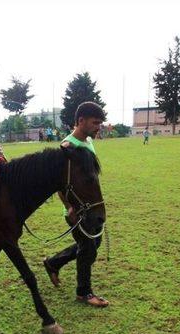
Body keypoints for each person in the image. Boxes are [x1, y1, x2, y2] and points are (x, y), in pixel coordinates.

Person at [43, 102, 109, 307]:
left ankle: (54, 263)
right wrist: (70, 207)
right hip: (77, 210)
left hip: (90, 206)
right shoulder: (67, 147)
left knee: (91, 244)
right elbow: (59, 184)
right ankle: (84, 292)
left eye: (100, 122)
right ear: (81, 121)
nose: (99, 126)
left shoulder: (88, 140)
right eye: (95, 122)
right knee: (88, 248)